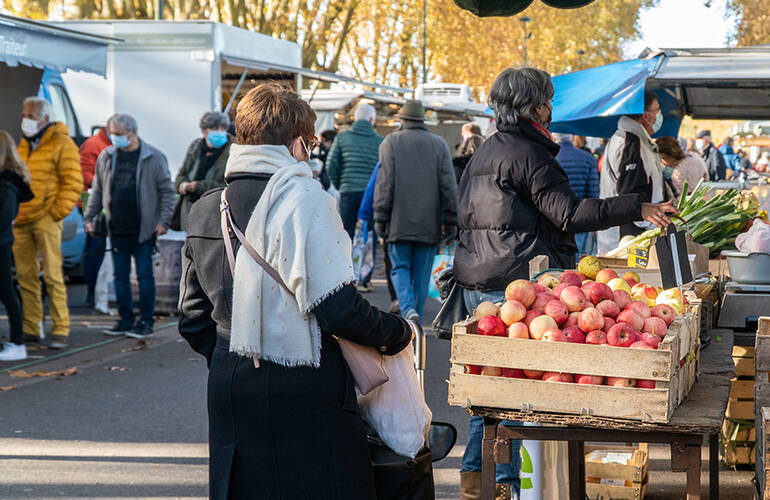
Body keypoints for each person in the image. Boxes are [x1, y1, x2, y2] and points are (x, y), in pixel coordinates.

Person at [177, 82, 412, 500]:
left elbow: (193, 318)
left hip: (232, 383)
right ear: (295, 144)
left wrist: (231, 356)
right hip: (307, 385)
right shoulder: (308, 200)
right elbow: (339, 309)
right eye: (309, 142)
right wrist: (398, 332)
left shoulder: (205, 208)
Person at [453, 67, 677, 500]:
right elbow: (569, 214)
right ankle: (510, 484)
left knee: (488, 381)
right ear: (535, 107)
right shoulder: (531, 154)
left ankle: (474, 477)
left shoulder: (484, 151)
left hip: (478, 280)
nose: (552, 109)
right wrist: (638, 206)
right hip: (517, 282)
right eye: (549, 101)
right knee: (524, 389)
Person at [84, 113, 175, 339]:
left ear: (132, 133)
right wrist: (89, 217)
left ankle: (145, 322)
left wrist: (163, 222)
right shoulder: (107, 156)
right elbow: (97, 190)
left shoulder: (153, 157)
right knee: (120, 276)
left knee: (145, 276)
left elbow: (167, 192)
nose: (114, 139)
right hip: (116, 228)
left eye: (118, 134)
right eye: (111, 134)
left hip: (144, 229)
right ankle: (125, 320)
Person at [373, 99, 457, 323]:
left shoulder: (390, 143)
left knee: (399, 267)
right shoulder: (439, 145)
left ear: (402, 120)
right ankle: (415, 318)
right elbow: (448, 186)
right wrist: (451, 220)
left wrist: (380, 217)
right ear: (422, 120)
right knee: (421, 274)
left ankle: (408, 309)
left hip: (397, 222)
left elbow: (384, 184)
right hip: (428, 224)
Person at [14, 97, 82, 349]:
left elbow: (73, 182)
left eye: (30, 115)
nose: (25, 119)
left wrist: (56, 212)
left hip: (46, 217)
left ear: (45, 118)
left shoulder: (62, 143)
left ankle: (60, 328)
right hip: (20, 218)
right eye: (24, 114)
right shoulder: (20, 143)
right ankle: (31, 327)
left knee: (53, 275)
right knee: (26, 276)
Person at [597, 90, 667, 254]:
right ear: (646, 116)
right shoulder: (630, 144)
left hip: (632, 239)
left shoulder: (637, 141)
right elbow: (630, 199)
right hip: (625, 243)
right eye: (657, 111)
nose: (659, 116)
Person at [0, 131, 34, 361]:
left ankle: (17, 343)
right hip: (3, 243)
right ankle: (15, 341)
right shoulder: (8, 182)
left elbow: (2, 219)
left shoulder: (6, 185)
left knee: (7, 293)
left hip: (1, 245)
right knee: (7, 293)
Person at [326, 103, 383, 239]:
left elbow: (330, 164)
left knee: (346, 235)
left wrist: (341, 184)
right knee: (369, 235)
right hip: (372, 195)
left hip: (348, 192)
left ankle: (348, 260)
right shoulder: (380, 141)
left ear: (355, 118)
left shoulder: (341, 138)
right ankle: (368, 260)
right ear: (371, 120)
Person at [174, 111, 232, 231]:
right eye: (215, 128)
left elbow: (228, 186)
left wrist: (198, 186)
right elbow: (182, 174)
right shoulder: (195, 147)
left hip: (217, 211)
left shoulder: (233, 149)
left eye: (223, 128)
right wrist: (181, 184)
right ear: (203, 131)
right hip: (191, 210)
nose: (220, 131)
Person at [357, 162, 399, 307]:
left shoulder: (390, 151)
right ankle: (413, 305)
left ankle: (399, 301)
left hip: (394, 219)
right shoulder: (431, 151)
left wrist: (364, 214)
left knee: (395, 263)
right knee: (420, 265)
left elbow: (374, 186)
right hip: (426, 220)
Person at [79, 125, 112, 307]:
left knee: (100, 248)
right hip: (91, 201)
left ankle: (99, 289)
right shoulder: (92, 145)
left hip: (106, 201)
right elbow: (85, 175)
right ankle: (92, 289)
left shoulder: (110, 145)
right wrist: (109, 184)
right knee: (95, 246)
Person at [553, 132, 599, 255]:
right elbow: (593, 191)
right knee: (580, 256)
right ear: (571, 137)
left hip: (554, 216)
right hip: (580, 214)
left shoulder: (550, 157)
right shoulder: (588, 158)